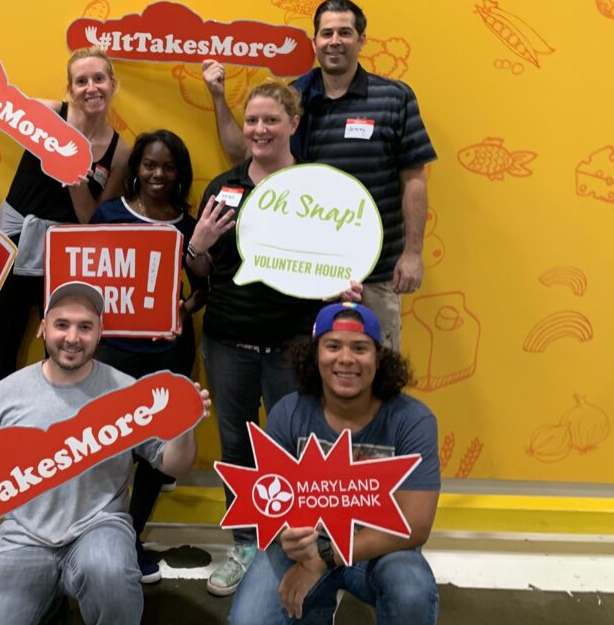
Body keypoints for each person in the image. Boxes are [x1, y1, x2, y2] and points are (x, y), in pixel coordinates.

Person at [0, 281, 210, 625]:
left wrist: (183, 427)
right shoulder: (4, 395)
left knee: (111, 577)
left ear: (100, 332)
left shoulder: (129, 393)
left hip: (99, 527)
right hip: (23, 535)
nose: (72, 337)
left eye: (85, 326)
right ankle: (48, 600)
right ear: (44, 328)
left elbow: (174, 466)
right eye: (62, 324)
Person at [204, 0, 437, 349]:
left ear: (362, 40)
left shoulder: (394, 98)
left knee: (375, 376)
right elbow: (245, 151)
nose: (335, 41)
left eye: (345, 32)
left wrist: (412, 254)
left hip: (372, 275)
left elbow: (413, 179)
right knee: (314, 382)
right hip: (304, 280)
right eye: (326, 33)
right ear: (314, 42)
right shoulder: (296, 95)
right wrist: (218, 98)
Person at [185, 80, 324, 597]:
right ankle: (245, 542)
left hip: (293, 344)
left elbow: (336, 260)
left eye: (271, 120)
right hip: (229, 342)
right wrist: (195, 247)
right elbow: (201, 272)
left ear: (293, 123)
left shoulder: (317, 189)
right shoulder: (224, 188)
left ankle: (300, 550)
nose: (260, 130)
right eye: (252, 121)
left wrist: (344, 286)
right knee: (237, 448)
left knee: (296, 450)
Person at [0, 48, 130, 390]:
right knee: (3, 340)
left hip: (67, 252)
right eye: (81, 81)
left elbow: (93, 220)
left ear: (112, 84)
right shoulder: (49, 114)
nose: (91, 87)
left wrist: (76, 184)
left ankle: (59, 429)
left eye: (98, 78)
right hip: (15, 240)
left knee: (68, 345)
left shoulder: (120, 150)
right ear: (70, 88)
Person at [229, 301, 440, 625]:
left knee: (410, 590)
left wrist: (324, 559)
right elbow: (268, 502)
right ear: (315, 355)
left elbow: (415, 524)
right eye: (333, 346)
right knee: (249, 620)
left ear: (378, 357)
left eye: (360, 347)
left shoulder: (411, 420)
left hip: (377, 548)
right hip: (305, 547)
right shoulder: (288, 413)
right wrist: (286, 536)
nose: (346, 358)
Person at [90, 129, 207, 583]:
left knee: (159, 448)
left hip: (169, 350)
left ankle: (131, 535)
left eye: (168, 167)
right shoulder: (108, 214)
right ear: (136, 168)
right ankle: (108, 533)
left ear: (180, 174)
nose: (158, 174)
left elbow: (202, 292)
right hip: (113, 351)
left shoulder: (188, 224)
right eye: (149, 165)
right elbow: (86, 275)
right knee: (113, 445)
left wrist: (183, 307)